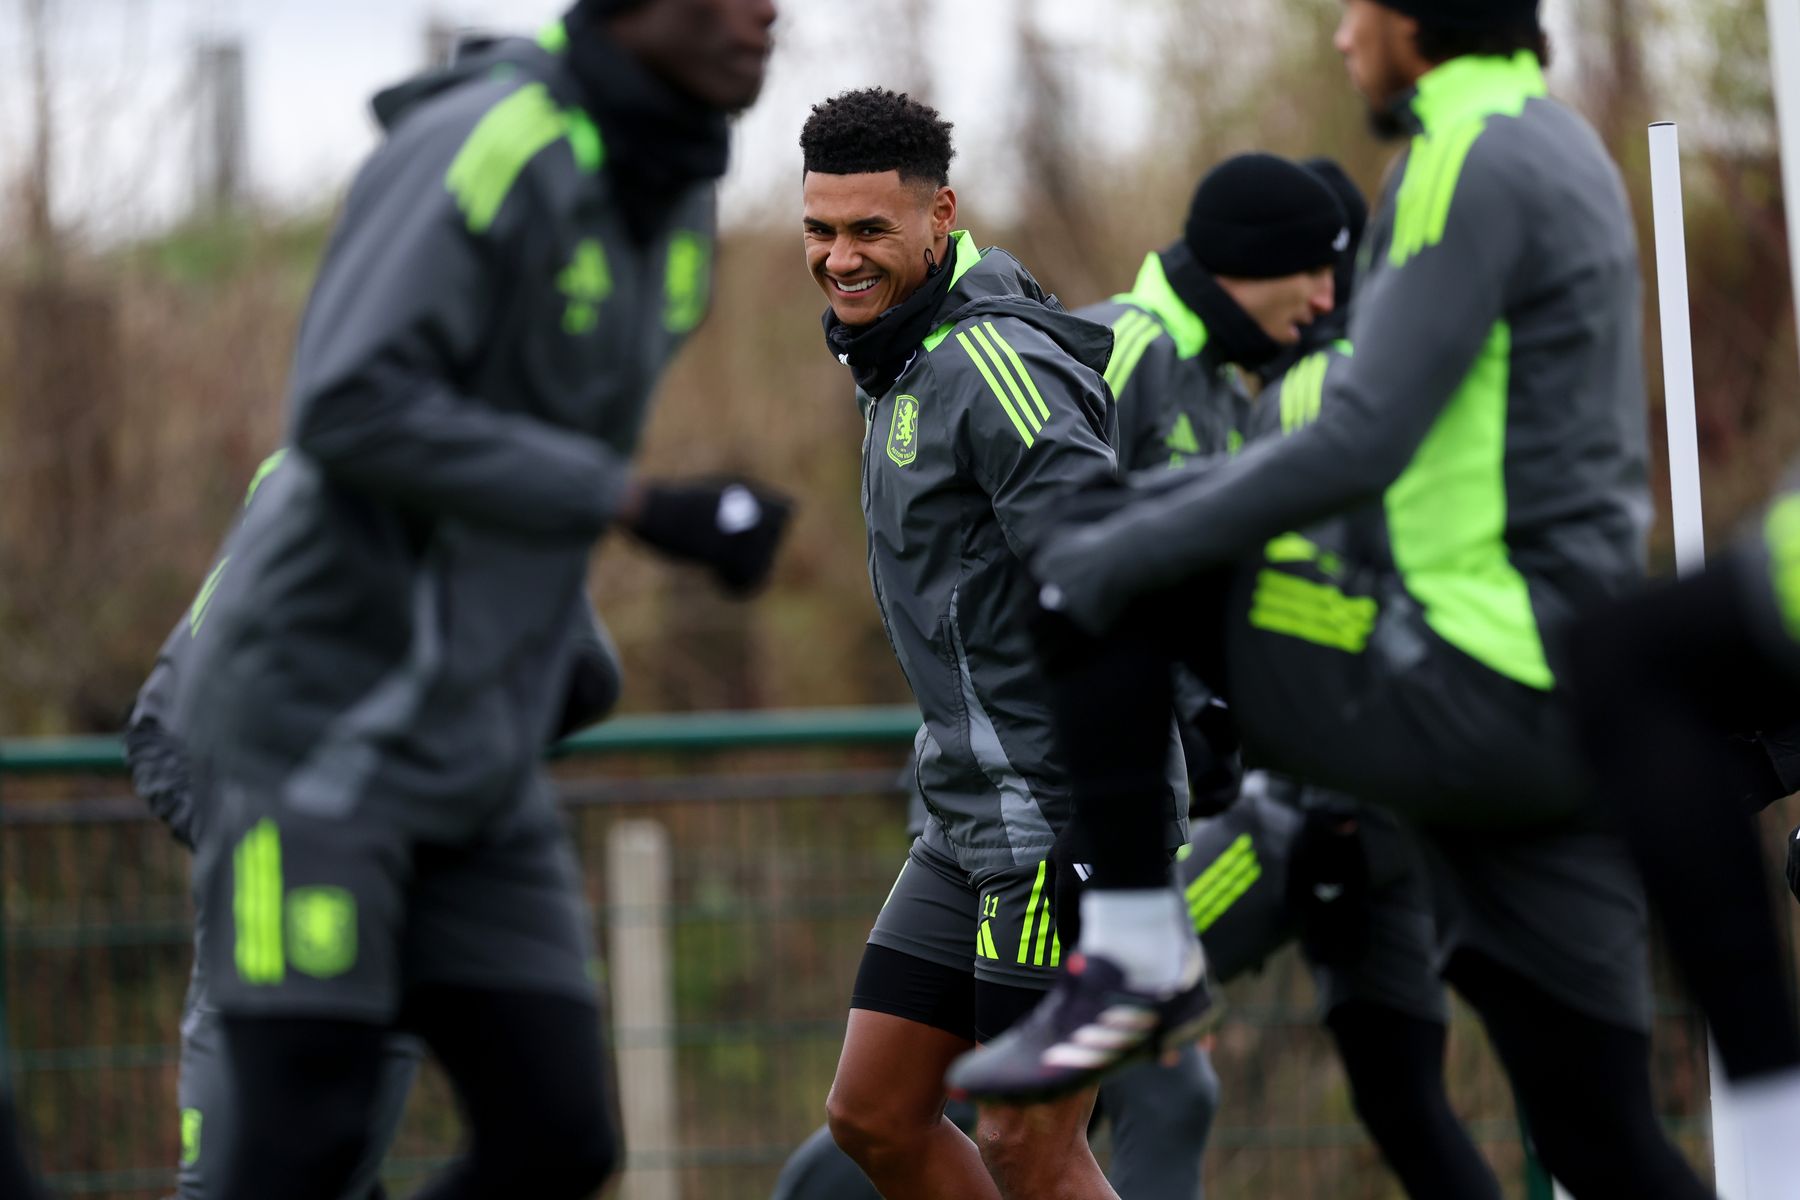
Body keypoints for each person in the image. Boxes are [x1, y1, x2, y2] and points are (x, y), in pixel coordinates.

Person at [954, 4, 1722, 1196]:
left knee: (1093, 562)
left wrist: (1139, 538)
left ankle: (1141, 952)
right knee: (1598, 1139)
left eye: (1355, 12)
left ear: (1414, 19)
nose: (1343, 40)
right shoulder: (1559, 144)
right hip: (1561, 695)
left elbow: (1361, 439)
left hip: (1461, 681)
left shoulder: (1465, 153)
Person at [167, 2, 790, 1197]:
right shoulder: (488, 143)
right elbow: (348, 405)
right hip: (320, 724)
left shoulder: (677, 197)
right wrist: (634, 503)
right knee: (304, 1135)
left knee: (560, 1141)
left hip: (475, 758)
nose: (767, 12)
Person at [800, 87, 1189, 1200]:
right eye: (821, 230)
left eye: (871, 230)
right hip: (965, 821)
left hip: (1052, 817)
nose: (841, 259)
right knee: (873, 1117)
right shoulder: (898, 363)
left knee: (1030, 1144)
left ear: (940, 216)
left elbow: (1105, 570)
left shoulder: (988, 363)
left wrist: (1109, 833)